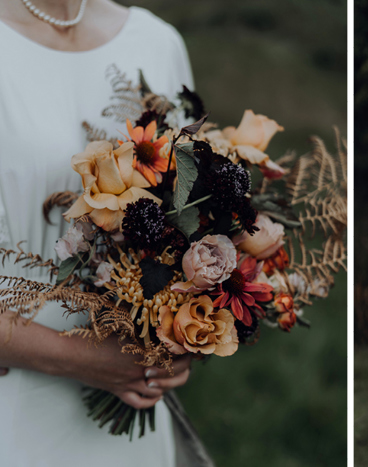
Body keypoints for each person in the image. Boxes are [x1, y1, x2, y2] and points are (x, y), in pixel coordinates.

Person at [0, 0, 195, 464]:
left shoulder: (157, 42)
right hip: (17, 407)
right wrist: (89, 361)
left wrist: (190, 329)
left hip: (136, 411)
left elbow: (193, 216)